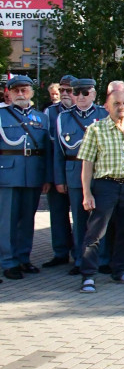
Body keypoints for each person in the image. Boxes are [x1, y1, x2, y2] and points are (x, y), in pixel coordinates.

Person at [76, 90, 124, 292]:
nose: (121, 107)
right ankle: (88, 275)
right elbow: (87, 163)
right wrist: (87, 193)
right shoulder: (96, 129)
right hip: (105, 185)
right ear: (107, 106)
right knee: (96, 232)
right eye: (117, 103)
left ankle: (120, 270)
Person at [54, 78, 108, 276]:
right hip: (74, 171)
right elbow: (58, 152)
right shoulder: (63, 118)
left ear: (94, 94)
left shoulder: (104, 114)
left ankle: (102, 259)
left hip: (100, 171)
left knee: (101, 218)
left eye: (86, 92)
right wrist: (59, 179)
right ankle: (79, 259)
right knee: (78, 219)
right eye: (77, 93)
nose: (81, 97)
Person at [0, 75, 50, 280]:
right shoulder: (2, 115)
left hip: (33, 174)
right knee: (8, 221)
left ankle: (23, 258)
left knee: (28, 219)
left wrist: (47, 177)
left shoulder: (41, 118)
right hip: (8, 173)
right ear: (9, 93)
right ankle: (8, 261)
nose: (21, 94)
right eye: (16, 90)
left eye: (25, 90)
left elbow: (48, 150)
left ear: (31, 92)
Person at [42, 74, 75, 270]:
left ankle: (80, 253)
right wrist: (49, 177)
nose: (64, 94)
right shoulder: (51, 112)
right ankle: (60, 252)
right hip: (57, 170)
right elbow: (47, 147)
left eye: (68, 90)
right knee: (57, 214)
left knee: (81, 217)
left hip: (77, 171)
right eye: (61, 90)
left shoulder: (85, 112)